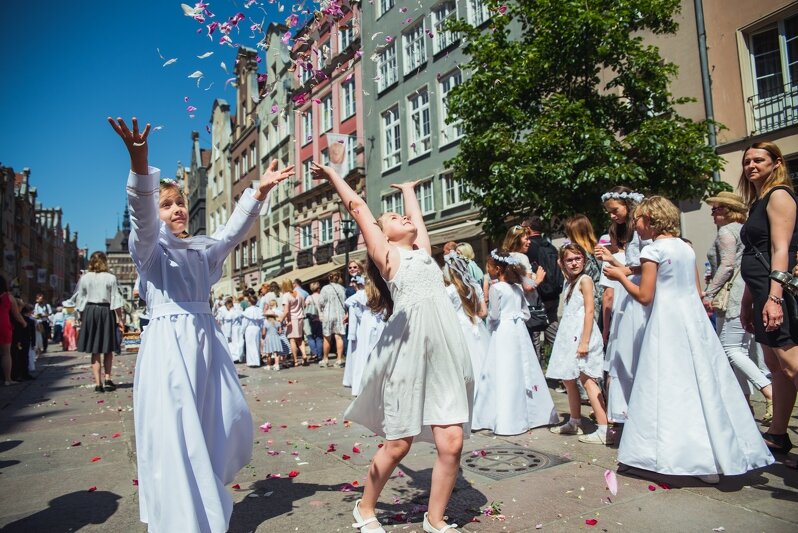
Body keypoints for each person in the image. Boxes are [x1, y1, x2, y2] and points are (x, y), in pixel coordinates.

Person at [109, 116, 292, 532]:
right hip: (169, 351)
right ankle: (183, 519)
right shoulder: (150, 255)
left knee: (219, 423)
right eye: (167, 204)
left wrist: (258, 192)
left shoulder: (201, 251)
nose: (177, 209)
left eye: (179, 202)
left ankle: (205, 498)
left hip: (205, 346)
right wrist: (140, 165)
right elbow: (141, 220)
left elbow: (230, 233)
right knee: (176, 433)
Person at [311, 162, 473, 533]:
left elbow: (417, 220)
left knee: (452, 441)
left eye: (403, 215)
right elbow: (358, 208)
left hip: (444, 354)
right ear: (381, 236)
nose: (403, 217)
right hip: (408, 355)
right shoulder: (390, 258)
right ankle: (365, 508)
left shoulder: (423, 252)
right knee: (398, 443)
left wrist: (408, 192)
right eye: (392, 218)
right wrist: (336, 176)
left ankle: (435, 519)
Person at [605, 196, 773, 482]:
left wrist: (620, 278)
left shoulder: (653, 250)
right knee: (702, 384)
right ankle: (715, 455)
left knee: (669, 386)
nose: (636, 226)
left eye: (640, 220)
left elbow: (645, 296)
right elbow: (696, 290)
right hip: (692, 321)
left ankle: (683, 456)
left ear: (652, 220)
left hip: (666, 323)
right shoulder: (685, 247)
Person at [738, 141, 798, 456]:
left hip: (777, 292)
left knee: (791, 364)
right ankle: (777, 435)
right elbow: (754, 255)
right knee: (775, 365)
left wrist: (774, 297)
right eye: (747, 161)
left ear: (776, 163)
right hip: (761, 291)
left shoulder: (779, 196)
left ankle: (778, 434)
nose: (751, 166)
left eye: (759, 160)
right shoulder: (758, 201)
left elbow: (780, 249)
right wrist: (748, 301)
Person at [702, 191, 773, 420]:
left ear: (726, 210)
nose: (712, 213)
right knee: (741, 348)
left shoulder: (726, 231)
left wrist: (708, 292)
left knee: (730, 349)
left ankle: (769, 392)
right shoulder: (745, 230)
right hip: (749, 290)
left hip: (733, 295)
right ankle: (744, 405)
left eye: (716, 208)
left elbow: (727, 265)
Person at [472, 249, 557, 436]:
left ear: (497, 268)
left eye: (489, 266)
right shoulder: (517, 288)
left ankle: (505, 418)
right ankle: (535, 415)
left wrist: (496, 324)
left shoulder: (496, 288)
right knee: (523, 368)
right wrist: (516, 318)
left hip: (503, 331)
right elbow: (526, 313)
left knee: (504, 370)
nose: (488, 270)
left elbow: (493, 315)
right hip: (519, 331)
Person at [594, 187, 650, 423]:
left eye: (614, 210)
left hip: (637, 291)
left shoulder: (642, 233)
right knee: (624, 353)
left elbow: (640, 268)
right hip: (628, 291)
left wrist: (613, 263)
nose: (611, 215)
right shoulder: (630, 234)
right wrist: (612, 261)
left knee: (633, 352)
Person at [547, 244, 610, 444]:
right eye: (569, 260)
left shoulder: (585, 280)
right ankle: (575, 421)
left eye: (577, 258)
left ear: (584, 259)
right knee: (568, 379)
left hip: (583, 336)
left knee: (587, 379)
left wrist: (584, 342)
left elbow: (590, 310)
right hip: (569, 336)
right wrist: (560, 262)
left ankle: (604, 427)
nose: (574, 263)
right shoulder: (570, 282)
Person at [74, 251, 125, 393]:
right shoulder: (110, 278)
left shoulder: (85, 278)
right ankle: (108, 379)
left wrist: (82, 317)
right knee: (108, 348)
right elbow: (116, 299)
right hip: (105, 311)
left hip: (90, 311)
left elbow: (81, 299)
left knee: (95, 349)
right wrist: (120, 319)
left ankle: (98, 383)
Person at [443, 251, 489, 382]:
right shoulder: (474, 286)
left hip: (460, 330)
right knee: (483, 360)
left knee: (469, 366)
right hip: (478, 327)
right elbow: (484, 312)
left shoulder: (449, 291)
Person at [1, 275, 27, 385]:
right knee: (6, 353)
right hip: (3, 325)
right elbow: (16, 315)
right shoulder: (9, 297)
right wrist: (24, 323)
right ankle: (8, 379)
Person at [343, 275, 366, 390]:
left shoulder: (359, 296)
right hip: (359, 326)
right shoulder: (357, 296)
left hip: (361, 326)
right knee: (356, 351)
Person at [319, 271, 346, 368]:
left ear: (329, 278)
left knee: (327, 337)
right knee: (339, 337)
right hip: (340, 315)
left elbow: (321, 302)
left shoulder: (325, 288)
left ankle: (325, 359)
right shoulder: (342, 288)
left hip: (328, 314)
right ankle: (339, 359)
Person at [279, 277, 307, 367]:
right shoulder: (298, 293)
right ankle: (304, 354)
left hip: (292, 319)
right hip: (300, 318)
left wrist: (281, 318)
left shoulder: (286, 296)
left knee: (292, 339)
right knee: (300, 339)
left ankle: (295, 360)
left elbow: (286, 310)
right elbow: (304, 305)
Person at [241, 292, 264, 367]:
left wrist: (242, 331)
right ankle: (257, 361)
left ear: (250, 302)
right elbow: (261, 322)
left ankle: (251, 362)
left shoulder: (247, 310)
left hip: (249, 329)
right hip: (257, 329)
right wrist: (261, 330)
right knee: (256, 345)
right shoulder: (259, 310)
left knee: (250, 346)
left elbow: (245, 322)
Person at [303, 282, 324, 361]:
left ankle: (314, 353)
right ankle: (319, 355)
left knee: (310, 337)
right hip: (321, 319)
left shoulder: (309, 297)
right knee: (319, 338)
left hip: (311, 319)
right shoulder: (322, 296)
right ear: (318, 288)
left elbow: (305, 306)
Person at [263, 304, 284, 369]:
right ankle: (277, 365)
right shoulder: (277, 322)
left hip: (268, 338)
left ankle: (268, 365)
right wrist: (277, 332)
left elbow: (264, 333)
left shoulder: (266, 323)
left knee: (268, 353)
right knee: (276, 353)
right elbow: (280, 332)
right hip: (276, 338)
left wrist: (263, 337)